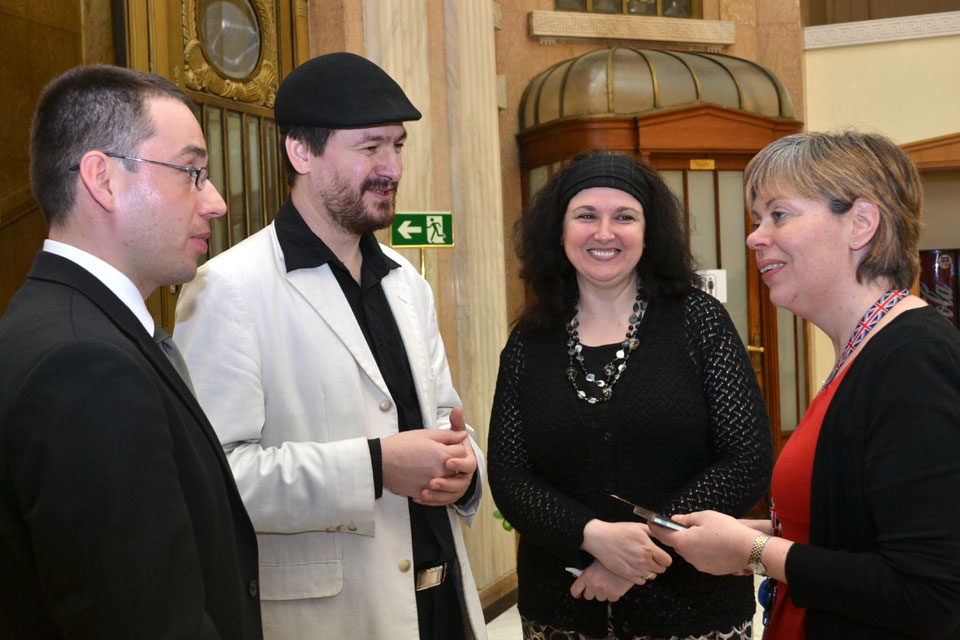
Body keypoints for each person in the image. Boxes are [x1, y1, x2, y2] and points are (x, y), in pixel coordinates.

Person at [174, 52, 487, 640]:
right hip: (337, 620)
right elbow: (217, 481)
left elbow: (447, 419)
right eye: (370, 148)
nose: (392, 167)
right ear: (301, 152)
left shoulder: (407, 283)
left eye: (398, 146)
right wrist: (375, 466)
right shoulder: (227, 289)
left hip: (445, 606)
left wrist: (464, 468)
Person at [649, 131, 960, 639]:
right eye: (756, 220)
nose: (754, 237)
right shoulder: (862, 348)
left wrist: (755, 554)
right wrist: (759, 535)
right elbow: (857, 530)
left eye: (779, 214)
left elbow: (928, 593)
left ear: (860, 224)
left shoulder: (911, 358)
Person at [0, 65, 262, 638]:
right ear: (103, 179)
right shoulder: (83, 367)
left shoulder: (72, 325)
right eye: (192, 172)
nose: (215, 202)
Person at [487, 151, 773, 639]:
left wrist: (638, 550)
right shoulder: (529, 340)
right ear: (559, 231)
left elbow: (746, 459)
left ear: (649, 231)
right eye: (585, 216)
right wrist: (591, 537)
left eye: (624, 216)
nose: (604, 233)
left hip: (693, 608)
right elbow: (510, 475)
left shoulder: (699, 322)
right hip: (561, 609)